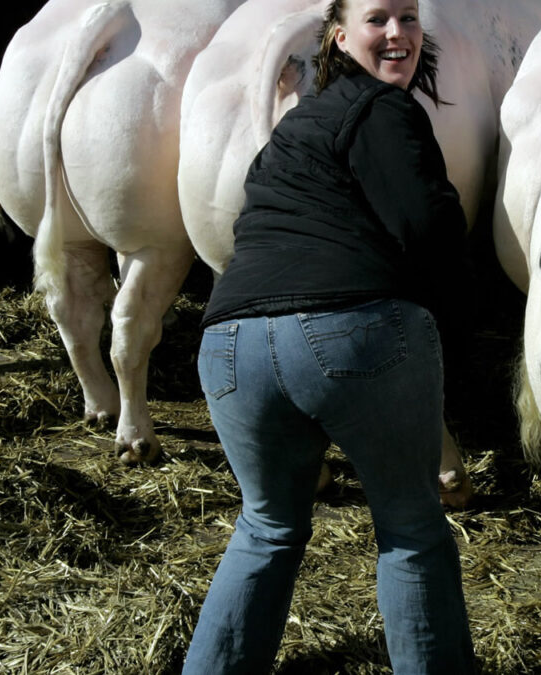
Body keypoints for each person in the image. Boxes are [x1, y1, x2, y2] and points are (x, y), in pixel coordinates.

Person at [182, 0, 474, 672]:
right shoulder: (386, 110)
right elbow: (429, 230)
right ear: (340, 38)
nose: (397, 32)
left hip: (229, 346)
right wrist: (464, 335)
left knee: (266, 526)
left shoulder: (291, 131)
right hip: (354, 334)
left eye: (408, 17)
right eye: (378, 19)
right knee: (410, 530)